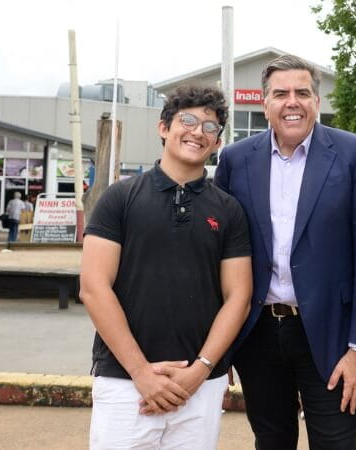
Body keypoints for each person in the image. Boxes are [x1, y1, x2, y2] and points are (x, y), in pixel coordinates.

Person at [215, 54, 356, 449]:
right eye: (280, 94)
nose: (292, 102)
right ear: (265, 104)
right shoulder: (235, 159)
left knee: (336, 442)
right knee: (272, 440)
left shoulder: (355, 154)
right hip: (257, 335)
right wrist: (218, 344)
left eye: (302, 93)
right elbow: (218, 254)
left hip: (330, 336)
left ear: (316, 100)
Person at [79, 85, 253, 449]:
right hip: (124, 381)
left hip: (200, 385)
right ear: (163, 128)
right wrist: (141, 372)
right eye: (187, 120)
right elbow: (94, 287)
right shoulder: (119, 198)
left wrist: (201, 369)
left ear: (217, 143)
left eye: (210, 127)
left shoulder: (229, 210)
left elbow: (238, 297)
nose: (197, 131)